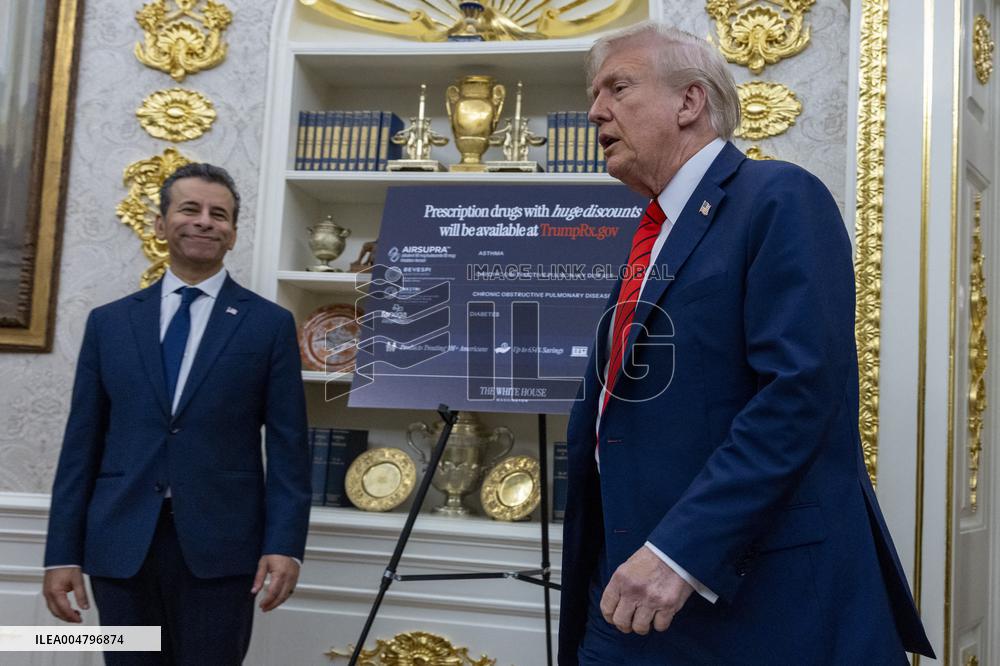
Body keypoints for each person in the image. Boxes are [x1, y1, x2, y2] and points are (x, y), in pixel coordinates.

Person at [559, 22, 936, 665]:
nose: (596, 110)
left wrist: (678, 552)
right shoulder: (654, 232)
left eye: (619, 87)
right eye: (596, 94)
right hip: (628, 589)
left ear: (689, 102)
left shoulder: (779, 198)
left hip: (745, 599)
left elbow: (798, 394)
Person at [42, 163, 311, 665]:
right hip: (121, 547)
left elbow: (290, 448)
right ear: (161, 223)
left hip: (224, 550)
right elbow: (81, 445)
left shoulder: (268, 326)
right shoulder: (110, 324)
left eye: (220, 214)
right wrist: (62, 552)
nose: (205, 221)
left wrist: (286, 545)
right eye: (190, 209)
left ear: (232, 234)